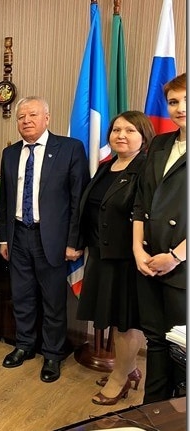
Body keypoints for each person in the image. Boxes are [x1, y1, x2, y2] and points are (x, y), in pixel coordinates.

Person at [0, 96, 89, 382]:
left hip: (53, 239)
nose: (26, 121)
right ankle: (24, 346)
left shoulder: (70, 149)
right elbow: (5, 202)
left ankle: (52, 354)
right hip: (18, 236)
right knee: (22, 297)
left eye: (32, 115)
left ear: (47, 118)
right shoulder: (10, 153)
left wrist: (74, 242)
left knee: (53, 301)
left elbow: (79, 199)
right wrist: (3, 239)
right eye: (21, 117)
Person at [76, 111, 154, 405]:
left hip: (127, 258)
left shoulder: (147, 168)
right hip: (100, 253)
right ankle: (129, 368)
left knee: (125, 323)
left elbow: (145, 214)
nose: (121, 135)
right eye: (116, 129)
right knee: (109, 318)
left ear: (143, 136)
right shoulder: (107, 166)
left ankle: (120, 378)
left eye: (130, 130)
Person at [133, 73, 187, 404]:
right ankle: (152, 413)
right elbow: (141, 201)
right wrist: (137, 249)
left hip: (181, 267)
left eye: (186, 99)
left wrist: (177, 256)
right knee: (154, 340)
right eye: (173, 101)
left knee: (181, 349)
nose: (180, 108)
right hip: (149, 262)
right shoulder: (161, 143)